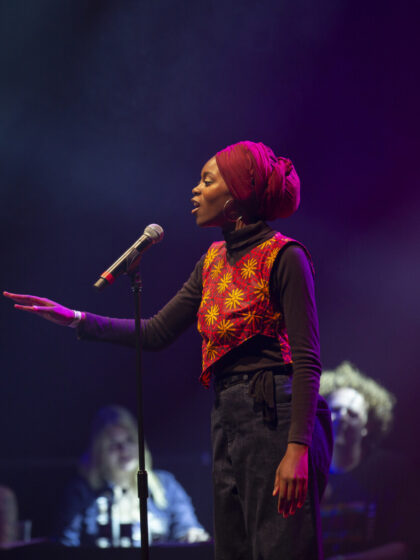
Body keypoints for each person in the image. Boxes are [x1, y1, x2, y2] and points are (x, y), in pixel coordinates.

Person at [4, 140, 333, 559]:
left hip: (277, 414)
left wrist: (298, 449)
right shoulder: (212, 261)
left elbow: (307, 360)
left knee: (281, 549)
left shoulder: (285, 257)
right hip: (227, 415)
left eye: (207, 181)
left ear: (235, 198)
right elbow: (158, 331)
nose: (195, 191)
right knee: (235, 549)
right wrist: (77, 319)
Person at [55, 405, 209, 547]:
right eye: (113, 444)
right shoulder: (81, 492)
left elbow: (187, 527)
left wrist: (191, 534)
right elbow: (66, 545)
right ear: (98, 451)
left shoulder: (165, 484)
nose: (124, 449)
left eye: (129, 440)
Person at [319, 362, 412, 560]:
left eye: (352, 413)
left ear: (367, 425)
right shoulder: (306, 475)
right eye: (334, 410)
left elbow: (405, 547)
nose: (342, 417)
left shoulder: (391, 471)